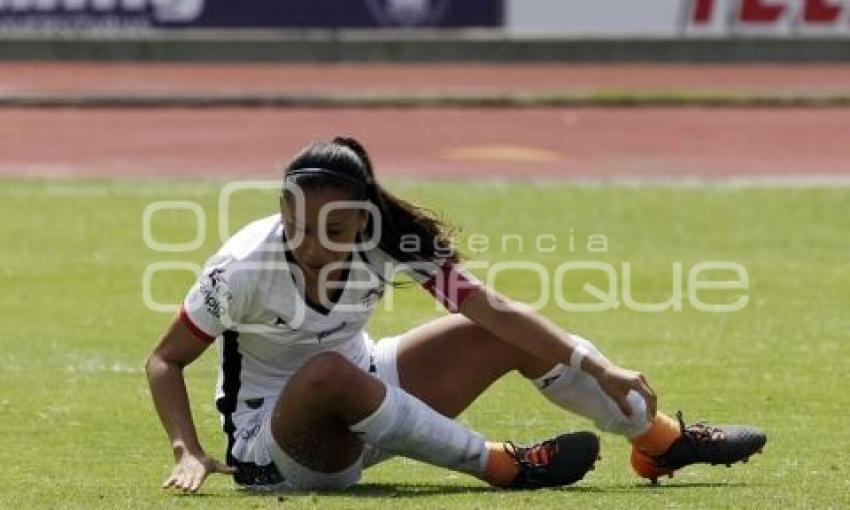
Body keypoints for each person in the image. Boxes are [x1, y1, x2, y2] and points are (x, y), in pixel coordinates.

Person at [146, 137, 766, 494]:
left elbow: (491, 306)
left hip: (369, 399)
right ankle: (501, 464)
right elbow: (165, 359)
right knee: (328, 373)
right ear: (283, 210)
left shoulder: (388, 240)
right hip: (279, 450)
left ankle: (658, 443)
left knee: (491, 332)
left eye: (331, 228)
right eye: (297, 224)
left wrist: (596, 365)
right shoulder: (242, 268)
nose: (309, 242)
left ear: (364, 218)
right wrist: (188, 449)